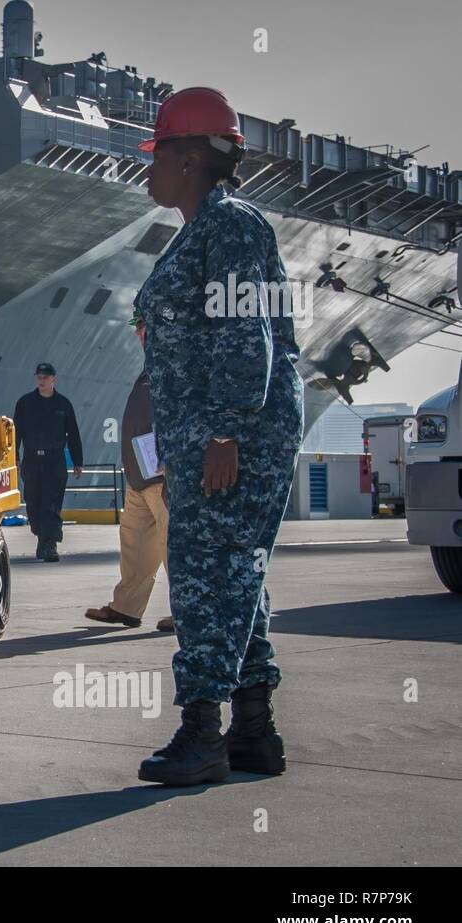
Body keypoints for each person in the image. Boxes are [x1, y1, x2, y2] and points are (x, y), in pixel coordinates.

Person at [132, 87, 303, 787]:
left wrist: (228, 432)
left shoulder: (231, 227)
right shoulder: (201, 230)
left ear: (192, 158)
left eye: (160, 152)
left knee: (207, 576)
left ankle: (201, 732)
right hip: (205, 434)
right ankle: (254, 733)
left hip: (231, 437)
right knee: (236, 575)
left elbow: (246, 333)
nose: (149, 166)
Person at [85, 315, 174, 632]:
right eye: (137, 327)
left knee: (173, 543)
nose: (138, 333)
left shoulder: (176, 364)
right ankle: (126, 607)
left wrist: (173, 463)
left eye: (143, 325)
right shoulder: (152, 367)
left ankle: (190, 610)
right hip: (140, 475)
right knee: (135, 545)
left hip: (164, 476)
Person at [13, 362, 83, 562]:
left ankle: (50, 545)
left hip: (55, 460)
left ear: (54, 379)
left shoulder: (63, 405)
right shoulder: (25, 403)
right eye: (39, 376)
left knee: (51, 505)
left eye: (45, 377)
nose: (41, 380)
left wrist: (78, 461)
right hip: (32, 460)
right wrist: (15, 458)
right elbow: (16, 433)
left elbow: (74, 435)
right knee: (34, 506)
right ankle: (42, 538)